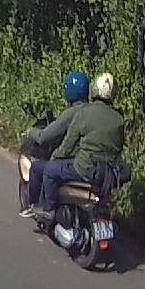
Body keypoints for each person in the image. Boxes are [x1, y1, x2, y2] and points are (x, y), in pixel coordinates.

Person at [35, 72, 126, 217]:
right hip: (108, 172)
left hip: (84, 168)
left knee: (50, 170)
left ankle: (48, 209)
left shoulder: (84, 113)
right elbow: (118, 148)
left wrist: (55, 157)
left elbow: (67, 145)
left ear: (94, 89)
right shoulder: (119, 119)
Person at [19, 70, 89, 217]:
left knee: (37, 168)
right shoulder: (91, 110)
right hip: (93, 163)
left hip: (73, 161)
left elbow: (44, 136)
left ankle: (38, 207)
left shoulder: (72, 113)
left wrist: (31, 132)